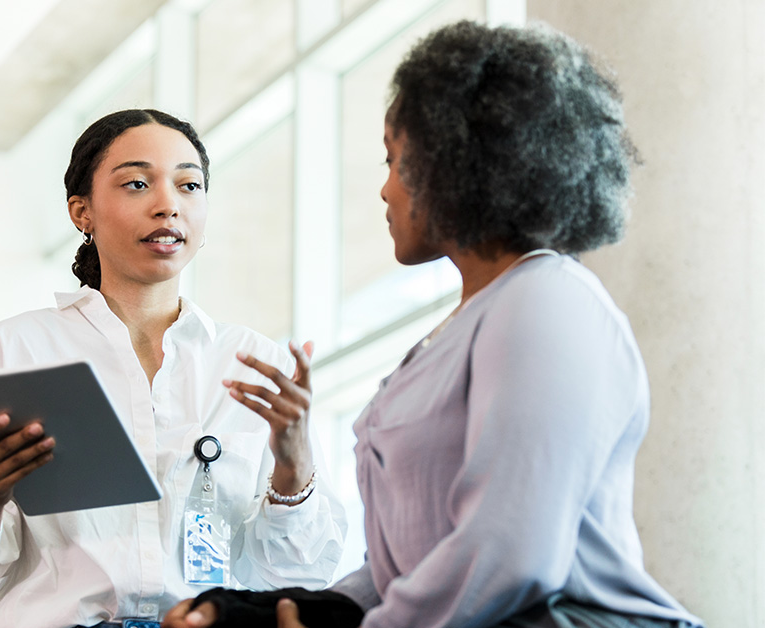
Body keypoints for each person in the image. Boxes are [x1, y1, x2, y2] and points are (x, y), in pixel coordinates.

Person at [162, 20, 704, 628]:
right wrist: (284, 611)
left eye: (396, 161)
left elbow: (507, 551)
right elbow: (412, 568)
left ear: (457, 163)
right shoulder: (454, 332)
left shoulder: (545, 300)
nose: (386, 190)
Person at [0, 109, 346, 628]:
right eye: (137, 183)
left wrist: (293, 461)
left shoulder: (252, 364)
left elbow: (299, 573)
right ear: (81, 212)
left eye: (189, 186)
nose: (168, 205)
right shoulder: (15, 350)